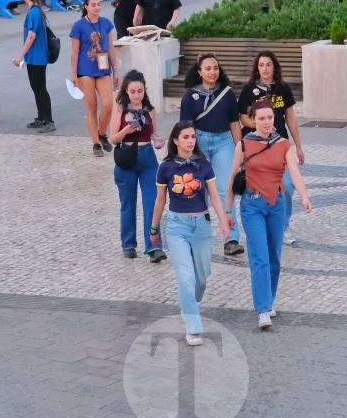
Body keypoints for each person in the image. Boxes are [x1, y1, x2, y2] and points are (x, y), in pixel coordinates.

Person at [226, 100, 312, 330]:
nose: (266, 122)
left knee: (274, 256)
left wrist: (304, 196)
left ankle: (269, 301)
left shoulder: (283, 144)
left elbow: (293, 172)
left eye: (270, 118)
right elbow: (232, 178)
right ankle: (263, 309)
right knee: (260, 257)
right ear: (253, 120)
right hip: (252, 205)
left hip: (276, 205)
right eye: (261, 118)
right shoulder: (243, 144)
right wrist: (227, 211)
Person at [149, 122, 231, 345]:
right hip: (177, 227)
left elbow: (214, 196)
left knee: (201, 279)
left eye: (193, 137)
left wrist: (224, 223)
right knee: (186, 278)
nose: (190, 140)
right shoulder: (165, 168)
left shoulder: (204, 165)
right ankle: (193, 327)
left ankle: (189, 304)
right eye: (185, 137)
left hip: (202, 225)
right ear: (175, 140)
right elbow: (159, 200)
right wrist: (154, 227)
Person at [179, 53, 244, 256]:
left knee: (226, 189)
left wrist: (241, 149)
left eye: (215, 68)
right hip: (199, 141)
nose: (212, 72)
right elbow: (185, 127)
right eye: (207, 68)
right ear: (199, 72)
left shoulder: (227, 93)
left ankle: (231, 238)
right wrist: (185, 152)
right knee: (199, 190)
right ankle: (197, 235)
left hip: (223, 141)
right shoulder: (190, 96)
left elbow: (234, 123)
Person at [237, 51, 304, 225]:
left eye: (268, 64)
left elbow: (290, 117)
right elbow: (243, 118)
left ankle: (284, 224)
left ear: (274, 67)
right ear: (257, 69)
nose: (265, 68)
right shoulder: (249, 90)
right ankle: (263, 220)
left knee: (287, 186)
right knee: (260, 187)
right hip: (257, 145)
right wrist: (261, 126)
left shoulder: (283, 88)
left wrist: (298, 146)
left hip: (280, 143)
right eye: (261, 65)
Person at [107, 70, 166, 262]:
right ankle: (128, 244)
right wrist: (126, 130)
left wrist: (158, 140)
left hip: (148, 157)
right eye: (132, 91)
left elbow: (153, 133)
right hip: (127, 157)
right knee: (128, 203)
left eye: (140, 91)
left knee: (152, 202)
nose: (136, 95)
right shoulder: (120, 109)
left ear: (144, 90)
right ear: (126, 91)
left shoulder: (149, 109)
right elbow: (113, 138)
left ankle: (154, 246)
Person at [71, 0, 118, 156]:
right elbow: (75, 52)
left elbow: (111, 48)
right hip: (85, 69)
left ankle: (101, 132)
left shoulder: (106, 24)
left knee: (108, 104)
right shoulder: (78, 26)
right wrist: (74, 75)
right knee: (91, 106)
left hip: (103, 68)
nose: (97, 7)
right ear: (86, 6)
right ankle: (96, 143)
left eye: (99, 4)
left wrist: (116, 70)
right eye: (93, 4)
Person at [12, 0, 54, 133]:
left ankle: (48, 120)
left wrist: (20, 56)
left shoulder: (33, 13)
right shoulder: (36, 11)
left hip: (36, 58)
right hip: (36, 57)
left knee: (40, 89)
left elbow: (31, 36)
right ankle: (42, 117)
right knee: (37, 88)